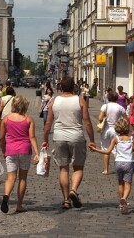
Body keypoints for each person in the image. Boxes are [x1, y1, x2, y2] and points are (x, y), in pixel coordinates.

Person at [42, 76, 97, 210]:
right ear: (74, 87)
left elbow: (48, 123)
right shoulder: (80, 100)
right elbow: (87, 122)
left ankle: (66, 200)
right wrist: (92, 140)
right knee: (78, 167)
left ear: (61, 87)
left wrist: (45, 139)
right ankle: (73, 190)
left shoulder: (54, 101)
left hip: (59, 137)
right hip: (76, 137)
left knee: (63, 168)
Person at [89, 116, 134, 214]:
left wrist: (95, 150)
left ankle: (121, 202)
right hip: (128, 163)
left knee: (120, 183)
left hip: (118, 163)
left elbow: (107, 152)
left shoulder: (115, 139)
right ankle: (124, 199)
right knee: (128, 184)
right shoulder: (131, 139)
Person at [0, 95, 40, 214]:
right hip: (24, 150)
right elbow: (32, 137)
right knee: (23, 178)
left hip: (11, 150)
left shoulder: (6, 119)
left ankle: (6, 196)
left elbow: (1, 138)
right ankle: (19, 205)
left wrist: (3, 150)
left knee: (11, 177)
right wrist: (37, 153)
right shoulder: (28, 119)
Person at [97, 90, 126, 175]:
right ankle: (120, 169)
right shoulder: (120, 107)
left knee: (106, 149)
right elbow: (126, 119)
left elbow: (100, 118)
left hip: (106, 130)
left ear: (108, 97)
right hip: (116, 130)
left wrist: (105, 116)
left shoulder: (105, 106)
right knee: (116, 150)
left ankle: (106, 169)